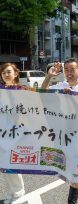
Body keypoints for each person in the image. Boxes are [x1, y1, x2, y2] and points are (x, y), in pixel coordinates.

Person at [41, 58, 78, 204]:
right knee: (69, 167)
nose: (69, 73)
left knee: (73, 169)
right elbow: (43, 92)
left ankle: (72, 201)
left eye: (72, 69)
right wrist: (49, 75)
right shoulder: (60, 85)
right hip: (63, 133)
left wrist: (72, 98)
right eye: (66, 70)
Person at [0, 63, 25, 204]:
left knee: (12, 163)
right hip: (1, 131)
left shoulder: (21, 90)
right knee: (3, 164)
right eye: (3, 72)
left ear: (15, 74)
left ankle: (19, 193)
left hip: (15, 132)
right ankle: (11, 192)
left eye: (8, 72)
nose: (6, 74)